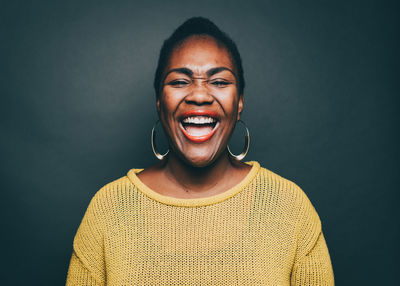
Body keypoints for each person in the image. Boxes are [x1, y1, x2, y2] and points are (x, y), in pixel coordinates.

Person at [66, 17, 334, 285]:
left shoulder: (289, 208)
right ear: (159, 103)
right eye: (180, 82)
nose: (199, 95)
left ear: (239, 102)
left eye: (219, 82)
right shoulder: (109, 209)